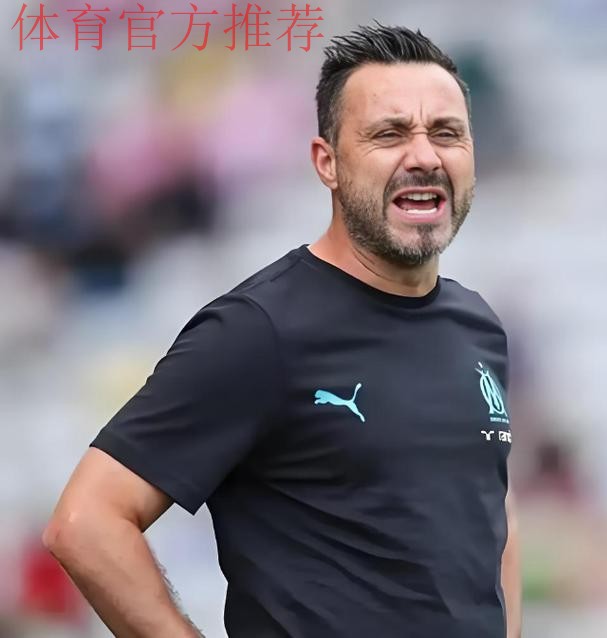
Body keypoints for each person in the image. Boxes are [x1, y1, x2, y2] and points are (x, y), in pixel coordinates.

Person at [43, 24, 520, 638]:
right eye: (389, 134)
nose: (425, 156)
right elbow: (86, 522)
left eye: (447, 133)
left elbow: (493, 514)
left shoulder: (478, 327)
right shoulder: (258, 329)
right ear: (328, 162)